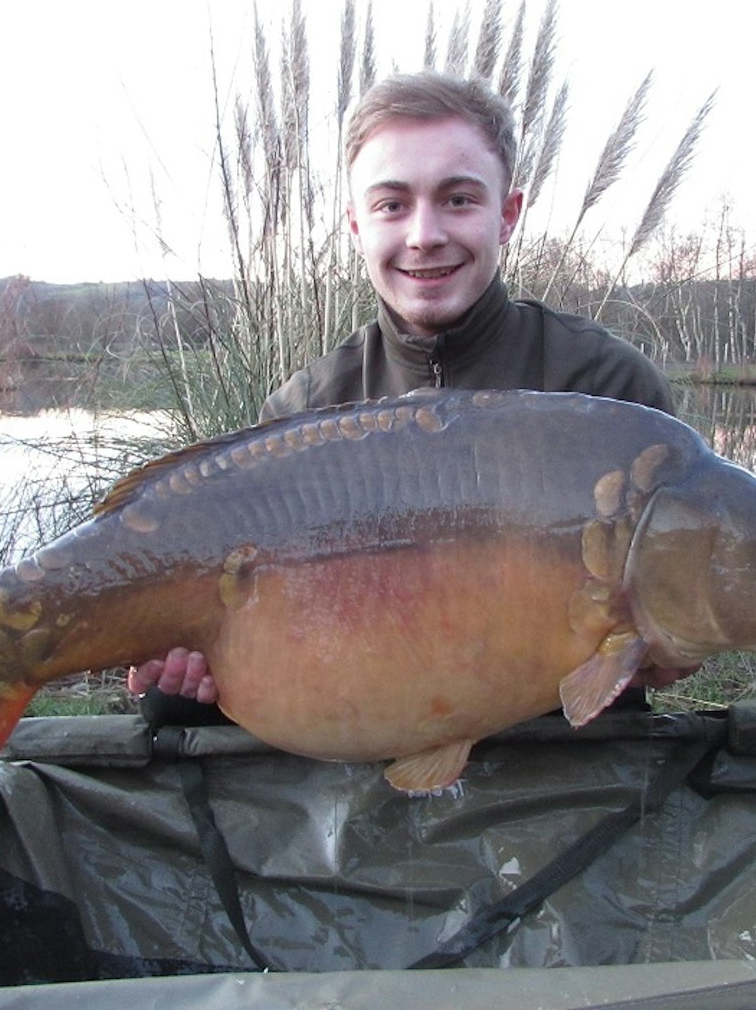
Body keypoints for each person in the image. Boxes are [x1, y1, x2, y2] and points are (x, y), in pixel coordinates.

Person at [127, 71, 688, 714]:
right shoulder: (305, 412)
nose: (424, 234)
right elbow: (271, 654)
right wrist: (191, 680)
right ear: (357, 224)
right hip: (366, 760)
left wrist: (659, 648)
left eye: (458, 200)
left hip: (568, 776)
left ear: (507, 215)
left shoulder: (611, 395)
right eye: (392, 204)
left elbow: (674, 629)